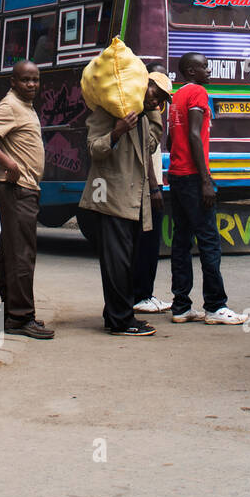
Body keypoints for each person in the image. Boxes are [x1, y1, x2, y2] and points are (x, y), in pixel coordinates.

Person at [79, 72, 173, 336]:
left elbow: (151, 146)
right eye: (155, 92)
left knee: (126, 260)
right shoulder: (108, 111)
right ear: (144, 84)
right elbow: (94, 149)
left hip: (134, 198)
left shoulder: (143, 115)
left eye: (162, 99)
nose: (157, 100)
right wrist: (117, 131)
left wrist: (154, 114)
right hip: (109, 196)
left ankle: (116, 315)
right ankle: (121, 320)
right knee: (117, 262)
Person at [0, 61, 52, 339]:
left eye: (35, 80)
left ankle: (11, 314)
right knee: (22, 255)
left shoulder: (25, 107)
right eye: (26, 80)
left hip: (23, 188)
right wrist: (8, 161)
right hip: (18, 188)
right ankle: (21, 317)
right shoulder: (10, 106)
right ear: (13, 82)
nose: (32, 85)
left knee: (11, 252)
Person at [166, 52, 247, 324]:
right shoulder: (198, 93)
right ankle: (215, 306)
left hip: (176, 176)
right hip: (192, 177)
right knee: (210, 241)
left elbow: (171, 138)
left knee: (181, 241)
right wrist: (205, 180)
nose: (208, 72)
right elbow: (193, 135)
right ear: (191, 71)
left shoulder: (176, 96)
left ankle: (181, 306)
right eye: (204, 67)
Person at [134, 63, 172, 315]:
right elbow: (146, 151)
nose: (157, 99)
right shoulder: (144, 111)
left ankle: (144, 294)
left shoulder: (150, 109)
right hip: (148, 187)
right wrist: (155, 188)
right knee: (146, 243)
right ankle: (142, 295)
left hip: (152, 184)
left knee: (149, 242)